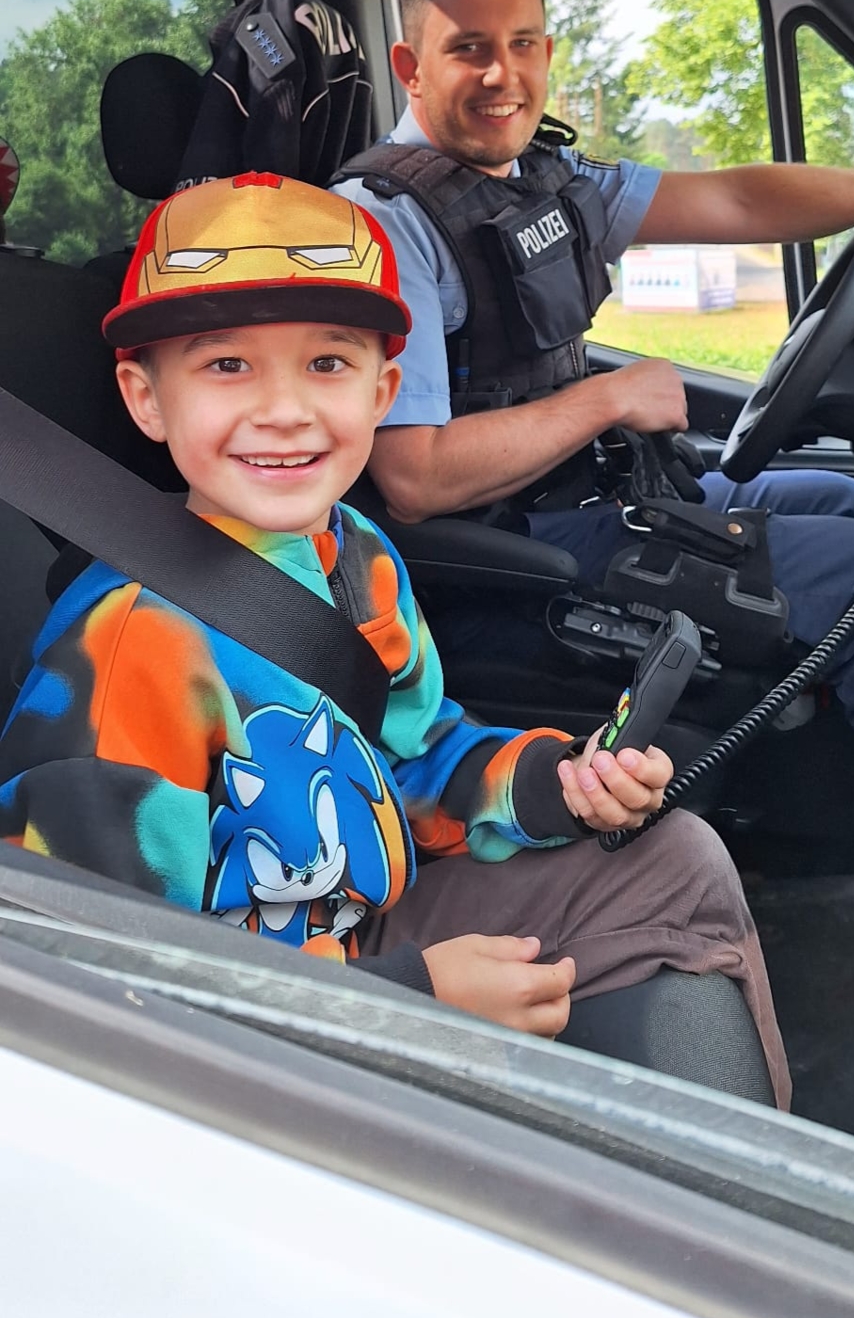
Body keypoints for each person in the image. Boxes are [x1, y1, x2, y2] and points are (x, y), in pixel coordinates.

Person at [0, 171, 788, 1106]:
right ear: (146, 399)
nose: (285, 409)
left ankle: (770, 1187)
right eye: (226, 365)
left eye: (326, 365)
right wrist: (409, 1001)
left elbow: (415, 759)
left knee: (675, 856)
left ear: (382, 390)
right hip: (260, 1035)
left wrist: (554, 784)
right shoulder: (132, 649)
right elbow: (103, 975)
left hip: (366, 923)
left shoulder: (355, 557)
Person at [331, 0, 854, 755]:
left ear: (547, 50)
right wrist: (610, 397)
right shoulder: (382, 226)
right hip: (508, 561)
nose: (503, 74)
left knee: (848, 501)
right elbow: (413, 478)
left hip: (587, 498)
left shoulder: (539, 179)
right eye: (469, 48)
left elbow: (738, 202)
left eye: (523, 43)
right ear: (410, 68)